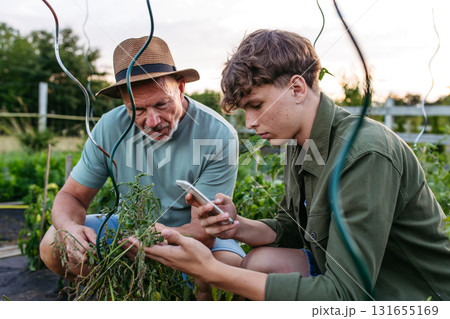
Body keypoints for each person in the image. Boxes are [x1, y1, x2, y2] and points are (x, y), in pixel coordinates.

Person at [133, 29, 450, 301]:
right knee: (260, 262)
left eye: (256, 105)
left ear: (297, 88)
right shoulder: (301, 141)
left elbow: (346, 296)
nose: (251, 122)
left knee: (252, 272)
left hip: (414, 296)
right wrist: (238, 225)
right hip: (359, 280)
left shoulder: (364, 153)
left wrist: (212, 271)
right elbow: (293, 229)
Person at [39, 36, 245, 300]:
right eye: (137, 109)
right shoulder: (109, 127)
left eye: (162, 104)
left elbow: (203, 231)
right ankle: (127, 294)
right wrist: (70, 229)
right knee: (52, 244)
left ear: (180, 88)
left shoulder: (217, 134)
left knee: (229, 269)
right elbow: (72, 196)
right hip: (129, 227)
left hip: (192, 233)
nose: (153, 120)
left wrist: (141, 242)